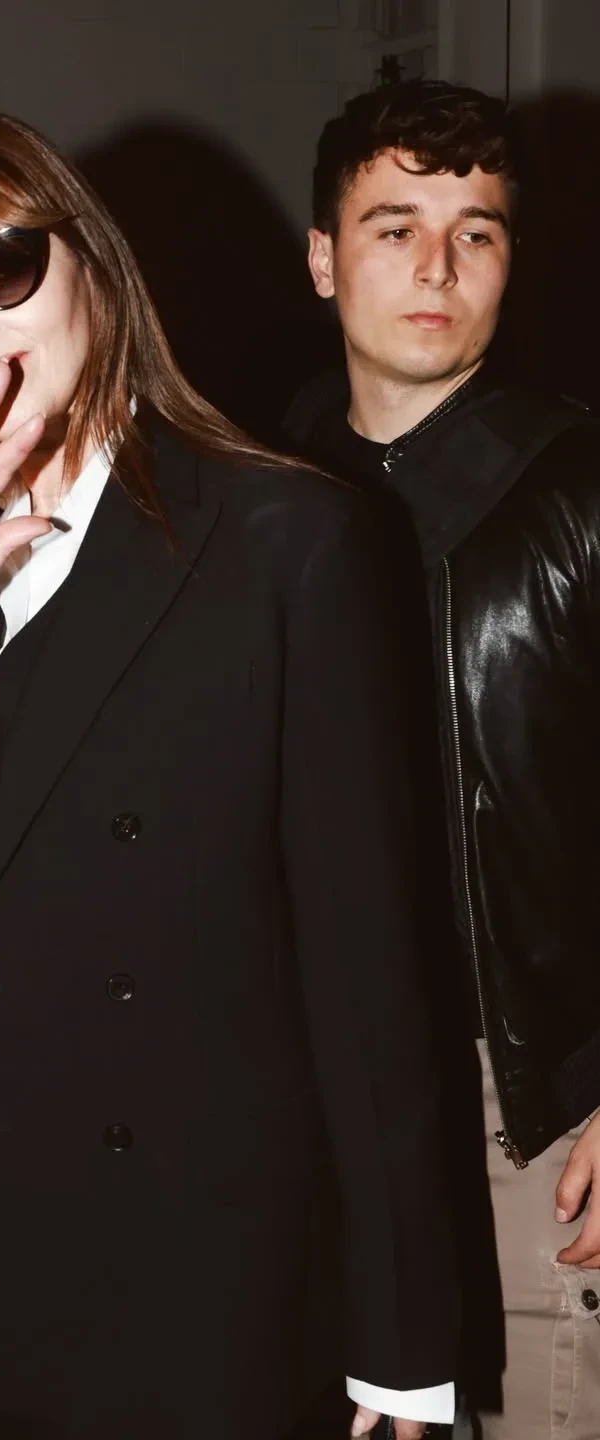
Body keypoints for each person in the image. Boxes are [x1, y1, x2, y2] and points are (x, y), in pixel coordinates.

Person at [0, 108, 458, 1440]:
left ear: (93, 268)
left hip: (184, 1245)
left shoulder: (285, 538)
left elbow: (368, 969)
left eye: (0, 268)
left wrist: (404, 1336)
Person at [286, 79, 600, 1439]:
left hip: (526, 1098)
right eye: (395, 226)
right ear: (322, 258)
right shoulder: (248, 495)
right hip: (299, 1096)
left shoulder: (576, 483)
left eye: (477, 232)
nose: (437, 266)